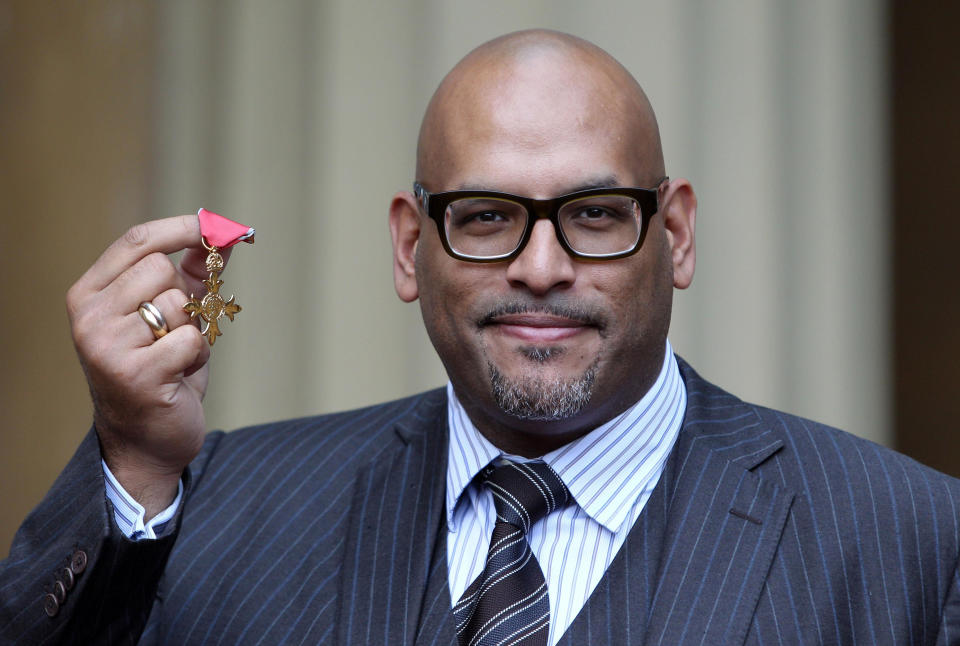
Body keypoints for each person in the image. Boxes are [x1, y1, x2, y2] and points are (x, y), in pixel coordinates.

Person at [1, 29, 958, 646]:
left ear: (674, 236)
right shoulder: (218, 504)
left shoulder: (907, 541)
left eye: (591, 214)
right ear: (413, 249)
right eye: (489, 216)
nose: (541, 267)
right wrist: (132, 466)